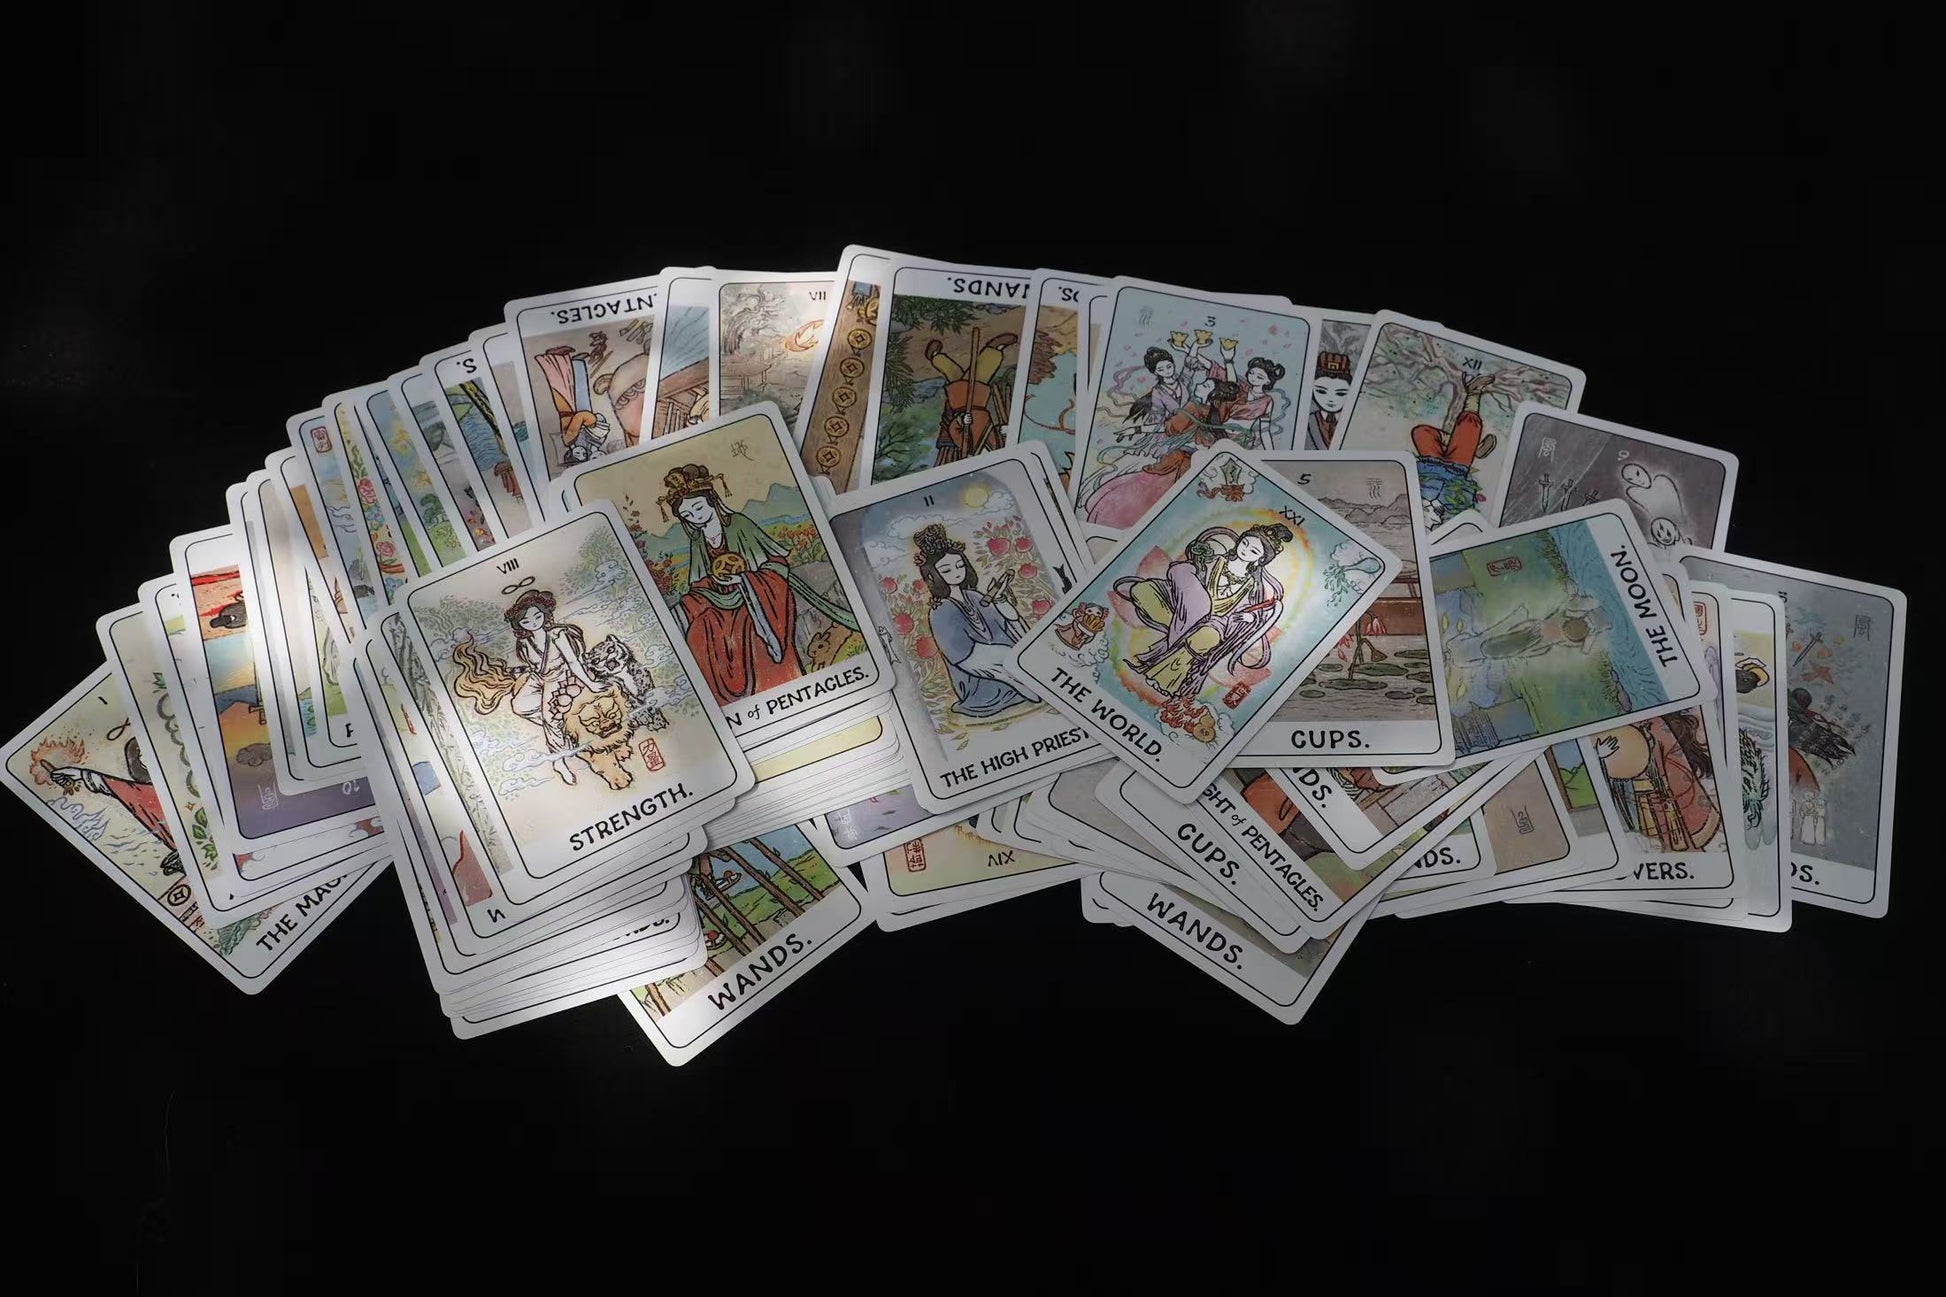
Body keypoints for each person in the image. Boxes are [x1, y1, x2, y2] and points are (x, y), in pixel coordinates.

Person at [659, 463, 859, 706]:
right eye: (688, 516)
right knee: (700, 631)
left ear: (711, 500)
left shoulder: (739, 524)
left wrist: (744, 580)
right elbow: (701, 584)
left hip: (759, 598)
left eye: (698, 508)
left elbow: (775, 563)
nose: (696, 517)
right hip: (722, 604)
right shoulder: (699, 540)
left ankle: (773, 689)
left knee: (752, 630)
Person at [1114, 523, 1292, 702]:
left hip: (1214, 623)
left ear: (1260, 560)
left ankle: (1165, 675)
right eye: (1244, 543)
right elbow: (1187, 574)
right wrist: (1195, 567)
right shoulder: (1216, 560)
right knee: (1144, 591)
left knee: (1206, 636)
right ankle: (1186, 628)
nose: (1245, 550)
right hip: (1185, 605)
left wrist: (1249, 616)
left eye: (1253, 551)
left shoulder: (1250, 586)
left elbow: (1240, 614)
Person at [451, 588, 609, 786]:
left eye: (537, 616)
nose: (533, 622)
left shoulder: (558, 635)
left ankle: (559, 760)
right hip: (538, 678)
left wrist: (591, 684)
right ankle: (561, 730)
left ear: (545, 614)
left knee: (550, 717)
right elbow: (533, 668)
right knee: (519, 705)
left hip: (558, 677)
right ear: (520, 624)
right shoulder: (524, 643)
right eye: (526, 620)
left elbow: (572, 662)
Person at [912, 523, 1042, 718]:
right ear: (934, 576)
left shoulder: (974, 596)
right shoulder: (940, 611)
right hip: (978, 674)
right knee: (1008, 658)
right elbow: (960, 655)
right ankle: (1015, 680)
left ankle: (1021, 676)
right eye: (946, 570)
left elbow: (1006, 626)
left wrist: (1001, 601)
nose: (956, 572)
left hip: (1004, 658)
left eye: (960, 566)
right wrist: (1006, 668)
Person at [47, 739, 181, 876]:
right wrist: (80, 774)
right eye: (142, 756)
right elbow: (119, 787)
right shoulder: (143, 790)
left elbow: (121, 788)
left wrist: (81, 774)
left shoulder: (169, 781)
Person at [1411, 371, 1498, 524]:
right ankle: (1474, 393)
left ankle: (1472, 447)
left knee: (1421, 432)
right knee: (1469, 425)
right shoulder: (1449, 514)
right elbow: (1464, 502)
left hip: (1429, 462)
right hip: (1456, 468)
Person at [1307, 351, 1354, 448]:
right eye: (1321, 391)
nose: (1330, 399)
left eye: (1340, 393)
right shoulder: (1306, 419)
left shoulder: (1354, 419)